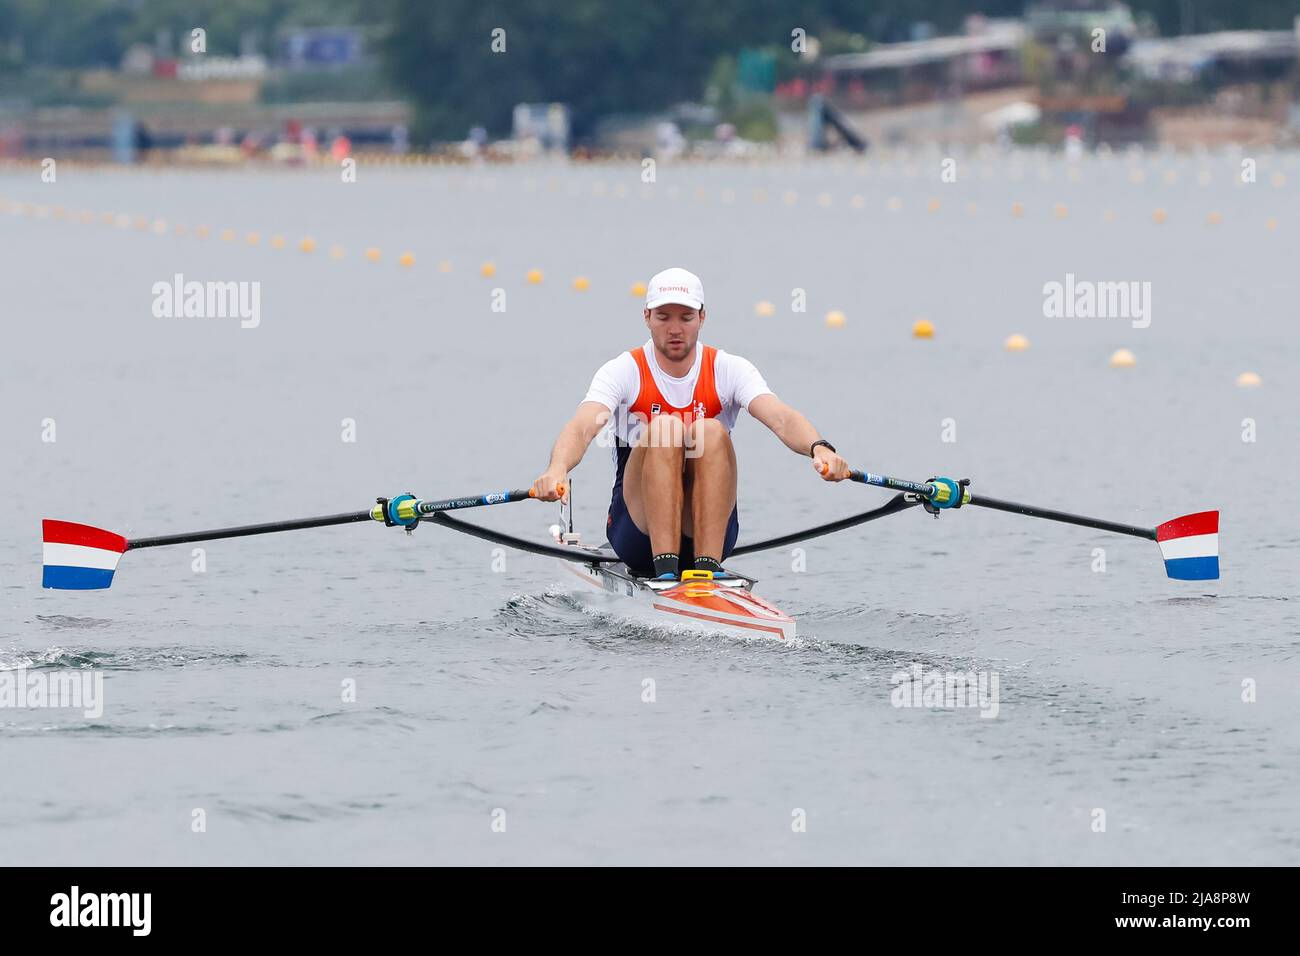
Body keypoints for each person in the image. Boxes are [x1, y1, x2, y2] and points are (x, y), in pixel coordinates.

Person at [531, 267, 851, 580]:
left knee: (709, 431)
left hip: (709, 534)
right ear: (647, 318)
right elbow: (582, 426)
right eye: (663, 317)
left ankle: (706, 571)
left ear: (702, 318)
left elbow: (780, 417)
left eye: (685, 318)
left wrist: (819, 448)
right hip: (638, 535)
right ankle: (666, 572)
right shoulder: (623, 371)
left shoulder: (728, 369)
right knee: (666, 429)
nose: (675, 329)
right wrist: (557, 469)